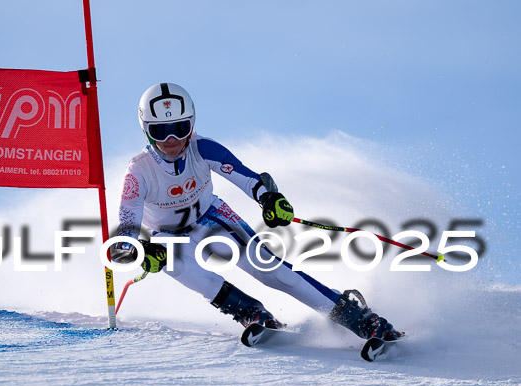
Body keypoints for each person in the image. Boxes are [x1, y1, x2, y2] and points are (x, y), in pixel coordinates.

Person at [110, 82, 402, 341]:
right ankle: (251, 312)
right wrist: (139, 251)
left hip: (213, 219)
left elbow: (249, 179)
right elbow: (125, 233)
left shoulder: (202, 148)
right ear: (146, 130)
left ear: (192, 125)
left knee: (273, 271)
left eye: (180, 129)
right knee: (176, 263)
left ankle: (359, 318)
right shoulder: (138, 172)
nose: (171, 140)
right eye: (160, 131)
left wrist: (270, 200)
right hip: (169, 236)